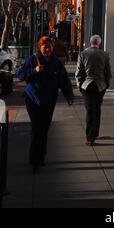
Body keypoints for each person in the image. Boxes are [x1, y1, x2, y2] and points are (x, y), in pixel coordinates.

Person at [18, 36, 74, 171]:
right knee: (37, 128)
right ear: (40, 47)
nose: (47, 50)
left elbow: (64, 80)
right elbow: (21, 75)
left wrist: (69, 96)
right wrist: (34, 71)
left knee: (44, 129)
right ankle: (34, 159)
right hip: (33, 100)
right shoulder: (32, 60)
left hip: (49, 100)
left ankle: (41, 156)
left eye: (49, 47)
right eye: (45, 47)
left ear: (52, 48)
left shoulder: (56, 63)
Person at [75, 35, 111, 146]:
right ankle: (95, 132)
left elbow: (79, 72)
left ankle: (90, 137)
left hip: (87, 85)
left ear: (90, 42)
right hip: (100, 85)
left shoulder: (82, 54)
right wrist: (107, 84)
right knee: (97, 108)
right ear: (99, 43)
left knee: (89, 110)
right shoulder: (105, 55)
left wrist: (79, 85)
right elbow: (108, 72)